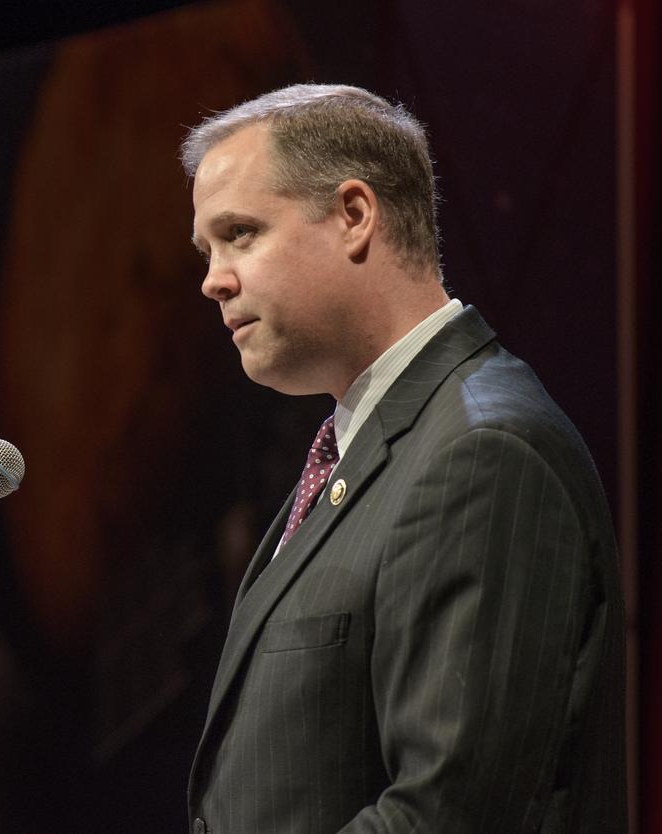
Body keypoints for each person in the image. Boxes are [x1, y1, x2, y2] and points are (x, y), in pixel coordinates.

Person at [181, 84, 625, 833]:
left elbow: (449, 815)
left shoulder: (483, 451)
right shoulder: (368, 447)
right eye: (208, 248)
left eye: (241, 233)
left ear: (355, 216)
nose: (212, 279)